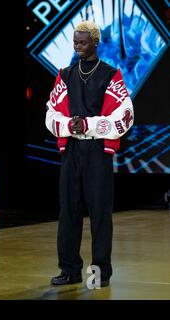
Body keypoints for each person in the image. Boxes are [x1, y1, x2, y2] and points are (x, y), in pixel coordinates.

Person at [45, 21, 134, 287]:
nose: (77, 46)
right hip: (72, 149)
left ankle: (100, 273)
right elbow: (51, 112)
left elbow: (125, 115)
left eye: (83, 42)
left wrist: (89, 124)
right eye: (75, 42)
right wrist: (66, 125)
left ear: (95, 42)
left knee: (99, 214)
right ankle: (70, 269)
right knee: (68, 211)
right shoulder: (65, 74)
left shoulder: (110, 74)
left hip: (97, 151)